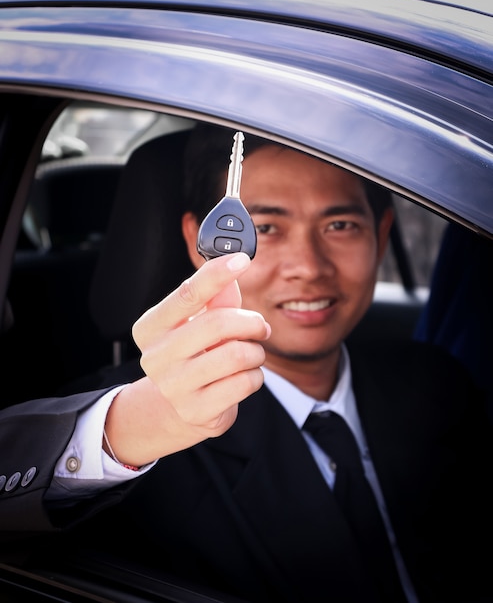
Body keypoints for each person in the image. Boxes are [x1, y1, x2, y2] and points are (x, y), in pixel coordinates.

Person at [1, 124, 492, 603]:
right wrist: (129, 428)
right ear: (204, 242)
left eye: (340, 225)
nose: (309, 266)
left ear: (381, 235)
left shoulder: (436, 382)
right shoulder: (138, 431)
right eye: (265, 228)